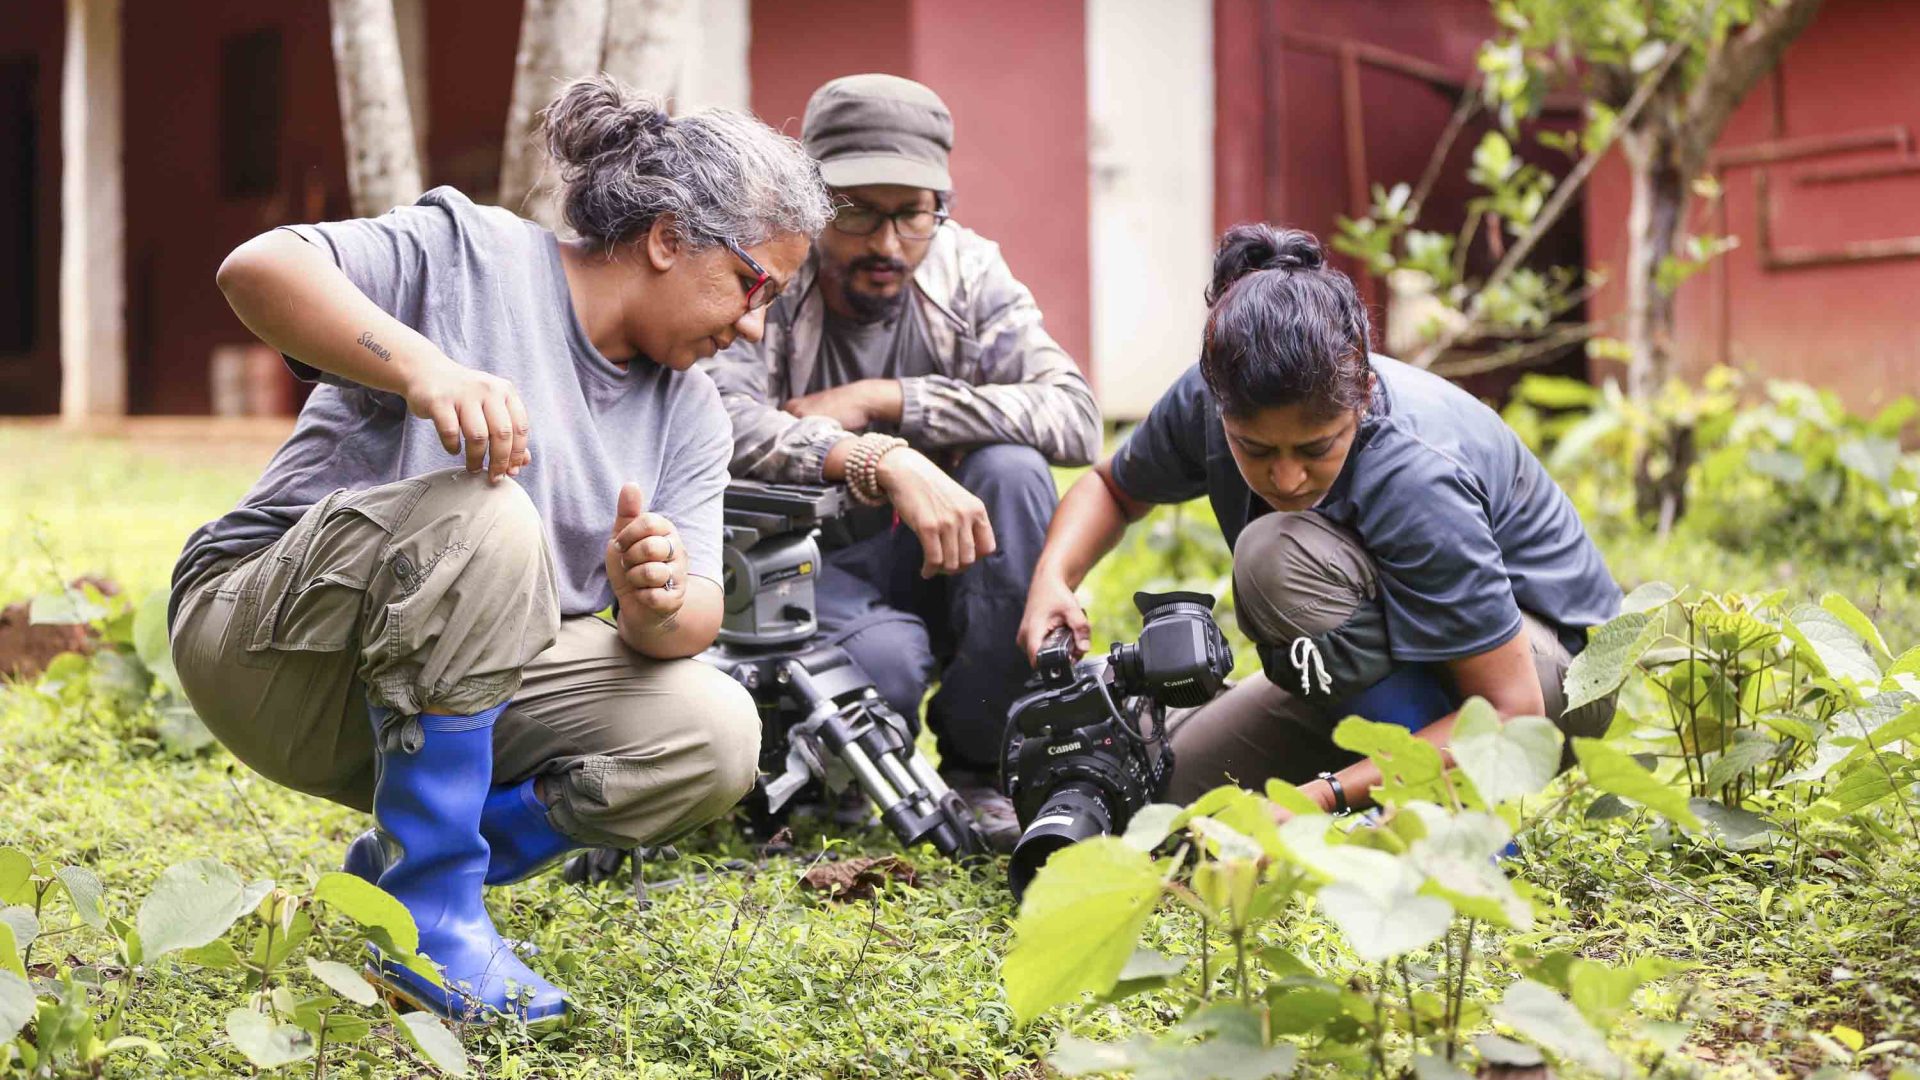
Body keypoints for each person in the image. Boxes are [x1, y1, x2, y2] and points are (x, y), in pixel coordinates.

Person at [168, 75, 832, 1023]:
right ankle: (430, 914)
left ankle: (400, 869)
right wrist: (425, 369)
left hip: (435, 698)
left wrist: (652, 601)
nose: (755, 325)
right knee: (491, 512)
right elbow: (258, 268)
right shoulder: (468, 252)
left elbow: (694, 618)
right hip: (265, 646)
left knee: (714, 731)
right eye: (753, 284)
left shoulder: (691, 412)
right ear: (668, 237)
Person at [1017, 224, 1622, 816]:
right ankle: (1386, 774)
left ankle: (1438, 820)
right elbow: (1112, 487)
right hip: (1378, 660)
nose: (1286, 479)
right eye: (1254, 448)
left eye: (1314, 448)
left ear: (1362, 388)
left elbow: (1513, 710)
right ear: (1219, 402)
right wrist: (1053, 578)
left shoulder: (1416, 473)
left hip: (1547, 679)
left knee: (1274, 557)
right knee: (1176, 796)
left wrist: (1320, 797)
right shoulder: (1210, 397)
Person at [703, 74, 1100, 848]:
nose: (887, 246)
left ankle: (984, 768)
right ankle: (816, 770)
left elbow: (1074, 415)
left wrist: (890, 400)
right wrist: (871, 458)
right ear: (811, 202)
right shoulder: (768, 271)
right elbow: (720, 419)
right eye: (857, 211)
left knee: (1013, 469)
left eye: (912, 214)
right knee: (884, 663)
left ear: (938, 206)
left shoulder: (967, 271)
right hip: (796, 572)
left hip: (942, 562)